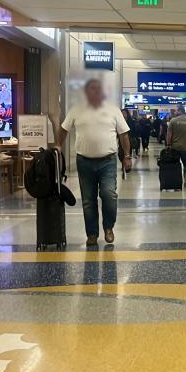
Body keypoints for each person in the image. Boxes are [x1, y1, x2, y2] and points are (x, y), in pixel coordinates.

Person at [58, 79, 131, 247]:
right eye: (91, 89)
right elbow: (64, 129)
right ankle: (91, 234)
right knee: (88, 200)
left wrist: (127, 156)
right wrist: (57, 145)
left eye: (98, 89)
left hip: (108, 161)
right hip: (84, 161)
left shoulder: (113, 110)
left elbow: (124, 134)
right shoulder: (76, 110)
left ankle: (108, 227)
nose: (95, 92)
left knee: (109, 194)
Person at [166, 105, 186, 188]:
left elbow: (169, 134)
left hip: (174, 147)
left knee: (175, 164)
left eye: (176, 111)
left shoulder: (173, 121)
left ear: (180, 111)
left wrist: (168, 144)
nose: (175, 112)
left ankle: (175, 181)